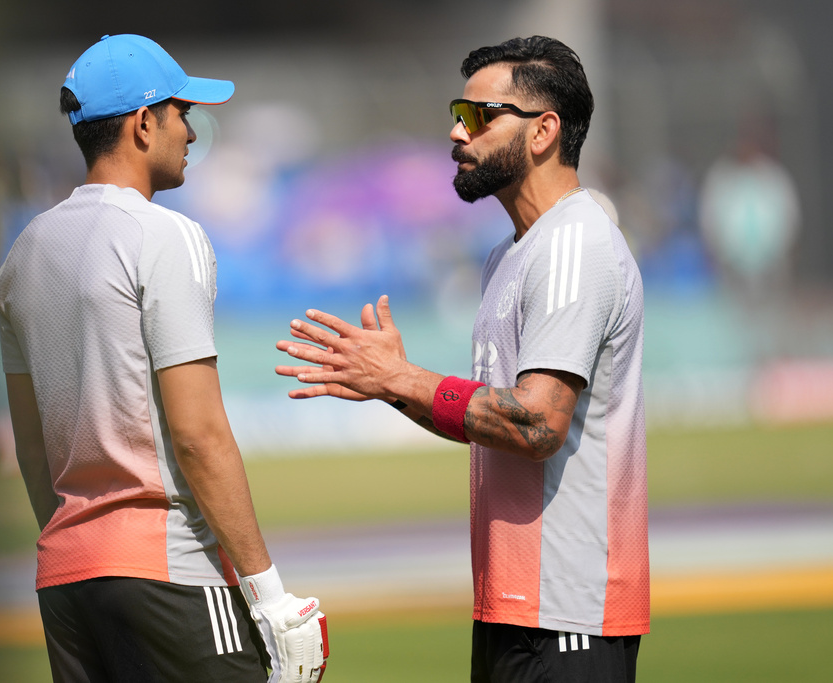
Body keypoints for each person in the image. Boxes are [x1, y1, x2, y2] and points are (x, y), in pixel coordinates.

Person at [276, 36, 647, 683]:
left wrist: (404, 377)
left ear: (544, 132)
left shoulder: (573, 245)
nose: (456, 130)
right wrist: (394, 387)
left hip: (566, 619)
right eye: (458, 110)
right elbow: (490, 418)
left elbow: (534, 425)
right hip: (517, 613)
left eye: (478, 116)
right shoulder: (512, 254)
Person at [0, 34, 327, 683]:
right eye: (183, 113)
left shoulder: (23, 253)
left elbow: (34, 450)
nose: (193, 133)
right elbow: (199, 434)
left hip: (65, 582)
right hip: (170, 571)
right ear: (143, 124)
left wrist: (80, 550)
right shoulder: (166, 234)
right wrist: (271, 599)